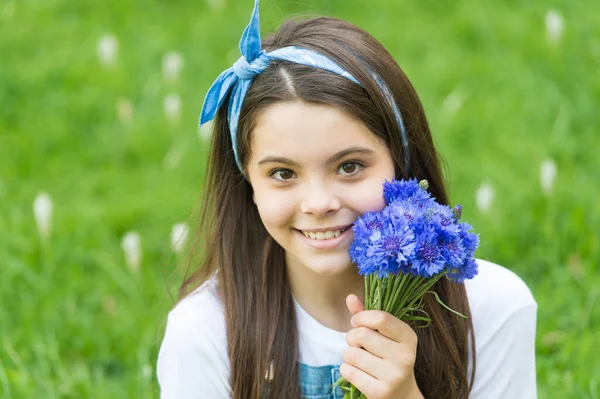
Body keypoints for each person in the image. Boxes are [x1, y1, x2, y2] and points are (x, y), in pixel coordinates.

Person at [156, 1, 538, 398]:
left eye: (350, 166)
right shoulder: (205, 333)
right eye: (283, 174)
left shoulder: (491, 308)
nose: (318, 203)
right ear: (246, 185)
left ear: (400, 161)